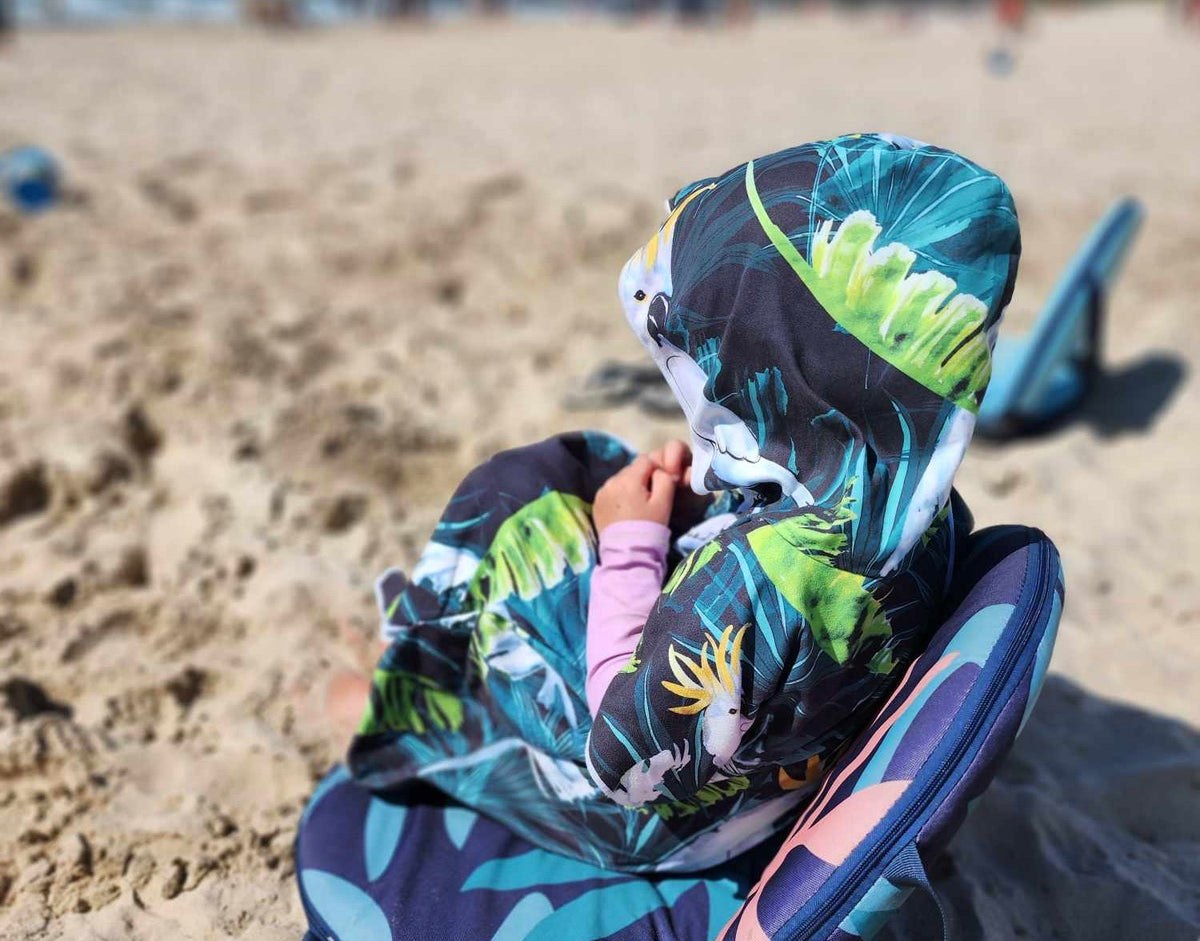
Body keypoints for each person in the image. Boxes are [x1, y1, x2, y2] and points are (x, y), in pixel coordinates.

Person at [337, 133, 1021, 872]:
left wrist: (632, 543)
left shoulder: (764, 584)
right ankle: (429, 638)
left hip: (659, 811)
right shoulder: (907, 499)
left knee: (515, 500)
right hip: (751, 756)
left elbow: (620, 750)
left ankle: (419, 699)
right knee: (590, 467)